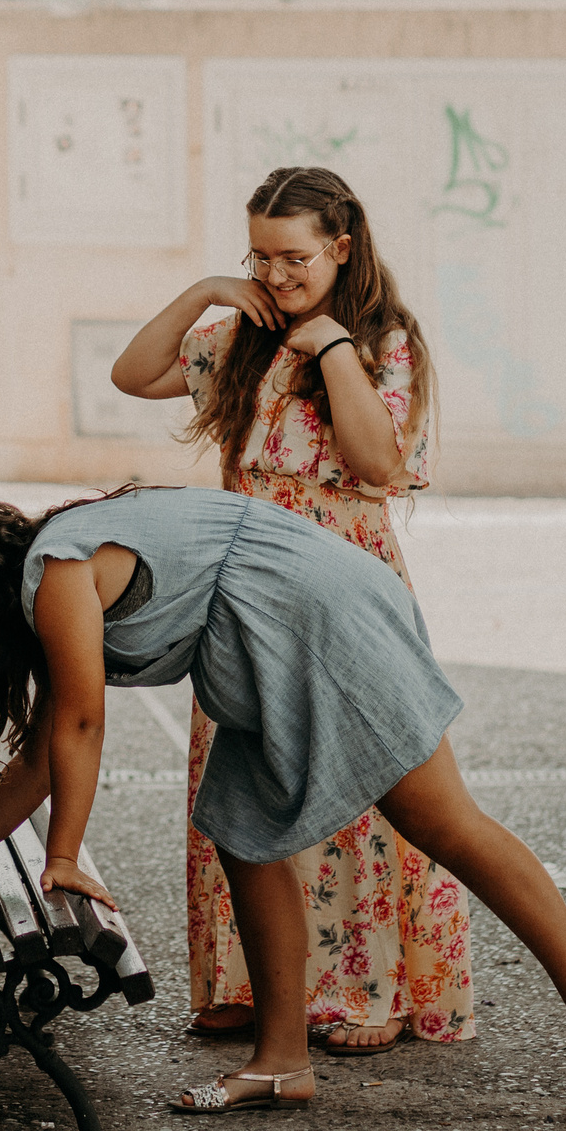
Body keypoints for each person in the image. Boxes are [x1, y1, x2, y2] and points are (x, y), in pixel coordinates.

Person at [0, 485, 566, 1118]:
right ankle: (281, 1062)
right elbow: (45, 751)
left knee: (442, 821)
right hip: (264, 635)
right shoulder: (59, 560)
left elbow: (80, 723)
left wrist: (63, 853)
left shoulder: (59, 568)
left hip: (313, 617)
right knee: (244, 834)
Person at [109, 166, 470, 1055]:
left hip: (345, 581)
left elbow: (377, 461)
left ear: (341, 248)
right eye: (259, 256)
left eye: (294, 257)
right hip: (242, 587)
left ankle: (365, 989)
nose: (275, 274)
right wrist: (206, 290)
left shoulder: (384, 341)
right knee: (243, 783)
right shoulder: (242, 333)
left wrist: (333, 346)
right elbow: (132, 372)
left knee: (352, 779)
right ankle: (249, 984)